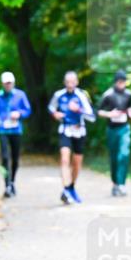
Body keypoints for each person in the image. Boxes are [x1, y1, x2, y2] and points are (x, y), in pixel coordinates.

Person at [48, 71, 96, 204]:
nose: (70, 84)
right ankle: (66, 190)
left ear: (76, 82)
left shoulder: (82, 95)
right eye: (67, 82)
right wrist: (55, 114)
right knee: (64, 159)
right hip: (65, 129)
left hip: (79, 131)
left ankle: (71, 187)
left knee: (77, 163)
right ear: (64, 83)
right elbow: (51, 107)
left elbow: (92, 117)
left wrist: (78, 110)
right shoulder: (59, 95)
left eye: (72, 82)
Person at [0, 71, 32, 198]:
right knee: (5, 157)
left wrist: (19, 114)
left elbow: (28, 110)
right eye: (5, 83)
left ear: (13, 83)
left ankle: (12, 181)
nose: (8, 85)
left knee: (15, 157)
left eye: (10, 83)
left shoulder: (20, 95)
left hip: (16, 130)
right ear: (2, 84)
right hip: (3, 129)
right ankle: (7, 185)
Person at [97, 70, 131, 197]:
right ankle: (115, 184)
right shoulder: (108, 94)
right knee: (114, 158)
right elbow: (98, 111)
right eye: (119, 81)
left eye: (123, 81)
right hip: (112, 129)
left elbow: (130, 107)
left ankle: (122, 184)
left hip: (124, 128)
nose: (121, 84)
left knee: (124, 154)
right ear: (115, 82)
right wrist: (109, 114)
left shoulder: (129, 94)